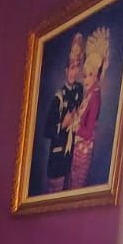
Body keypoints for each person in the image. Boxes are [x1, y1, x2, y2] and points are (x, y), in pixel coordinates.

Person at [41, 33, 84, 193]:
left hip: (71, 157)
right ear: (66, 71)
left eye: (77, 68)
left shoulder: (79, 90)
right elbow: (47, 131)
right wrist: (63, 124)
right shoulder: (58, 98)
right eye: (71, 68)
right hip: (58, 156)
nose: (74, 72)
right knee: (55, 194)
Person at [69, 26, 109, 190]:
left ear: (97, 75)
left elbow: (89, 132)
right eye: (85, 75)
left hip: (83, 152)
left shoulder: (95, 98)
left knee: (76, 187)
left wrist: (75, 126)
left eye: (90, 75)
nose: (86, 79)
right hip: (78, 149)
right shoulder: (89, 95)